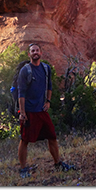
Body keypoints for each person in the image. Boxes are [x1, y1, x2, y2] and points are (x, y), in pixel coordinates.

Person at [17, 43, 75, 178]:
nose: (35, 53)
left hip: (42, 111)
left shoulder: (46, 68)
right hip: (29, 112)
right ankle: (23, 169)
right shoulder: (25, 71)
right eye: (32, 51)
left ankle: (58, 164)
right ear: (29, 54)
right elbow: (21, 93)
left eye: (37, 50)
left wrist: (48, 101)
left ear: (41, 53)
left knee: (52, 137)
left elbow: (49, 86)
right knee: (25, 140)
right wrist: (22, 112)